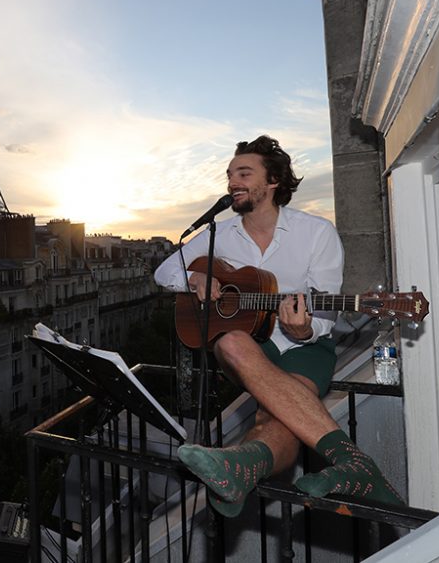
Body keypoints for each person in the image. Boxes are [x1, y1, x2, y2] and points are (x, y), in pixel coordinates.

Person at [154, 135, 402, 517]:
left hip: (305, 347)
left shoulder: (316, 233)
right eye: (230, 174)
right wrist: (194, 280)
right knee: (233, 340)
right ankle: (354, 463)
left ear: (272, 182)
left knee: (278, 415)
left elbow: (325, 312)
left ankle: (244, 468)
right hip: (248, 345)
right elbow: (164, 269)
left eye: (244, 173)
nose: (232, 181)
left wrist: (304, 330)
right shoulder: (219, 235)